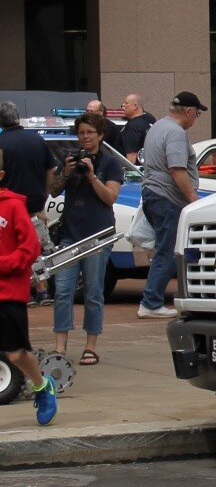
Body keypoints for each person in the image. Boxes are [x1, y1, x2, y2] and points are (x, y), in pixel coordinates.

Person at [51, 112, 122, 364]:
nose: (85, 137)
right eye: (81, 133)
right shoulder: (71, 159)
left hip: (98, 236)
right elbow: (53, 190)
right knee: (62, 291)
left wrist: (92, 175)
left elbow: (110, 198)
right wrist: (66, 172)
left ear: (100, 135)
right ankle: (60, 347)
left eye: (90, 132)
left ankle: (90, 346)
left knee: (93, 292)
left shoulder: (110, 163)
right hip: (70, 235)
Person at [0, 148, 58, 425]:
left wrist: (4, 264)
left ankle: (42, 385)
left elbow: (30, 248)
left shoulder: (12, 206)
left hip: (8, 293)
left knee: (16, 353)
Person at [137, 91, 206, 319]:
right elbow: (177, 170)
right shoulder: (176, 133)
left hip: (153, 194)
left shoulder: (158, 126)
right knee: (168, 251)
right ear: (188, 111)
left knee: (164, 249)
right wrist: (193, 199)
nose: (196, 118)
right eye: (197, 114)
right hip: (167, 198)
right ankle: (150, 302)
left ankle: (153, 300)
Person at [0, 101, 56, 305]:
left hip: (8, 204)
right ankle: (42, 289)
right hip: (34, 203)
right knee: (34, 246)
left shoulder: (1, 143)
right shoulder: (37, 139)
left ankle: (28, 289)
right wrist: (44, 195)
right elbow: (50, 170)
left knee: (12, 248)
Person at [117, 93, 156, 166]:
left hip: (136, 169)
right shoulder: (150, 120)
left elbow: (131, 154)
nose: (123, 106)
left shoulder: (132, 127)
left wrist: (129, 170)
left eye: (126, 103)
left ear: (135, 106)